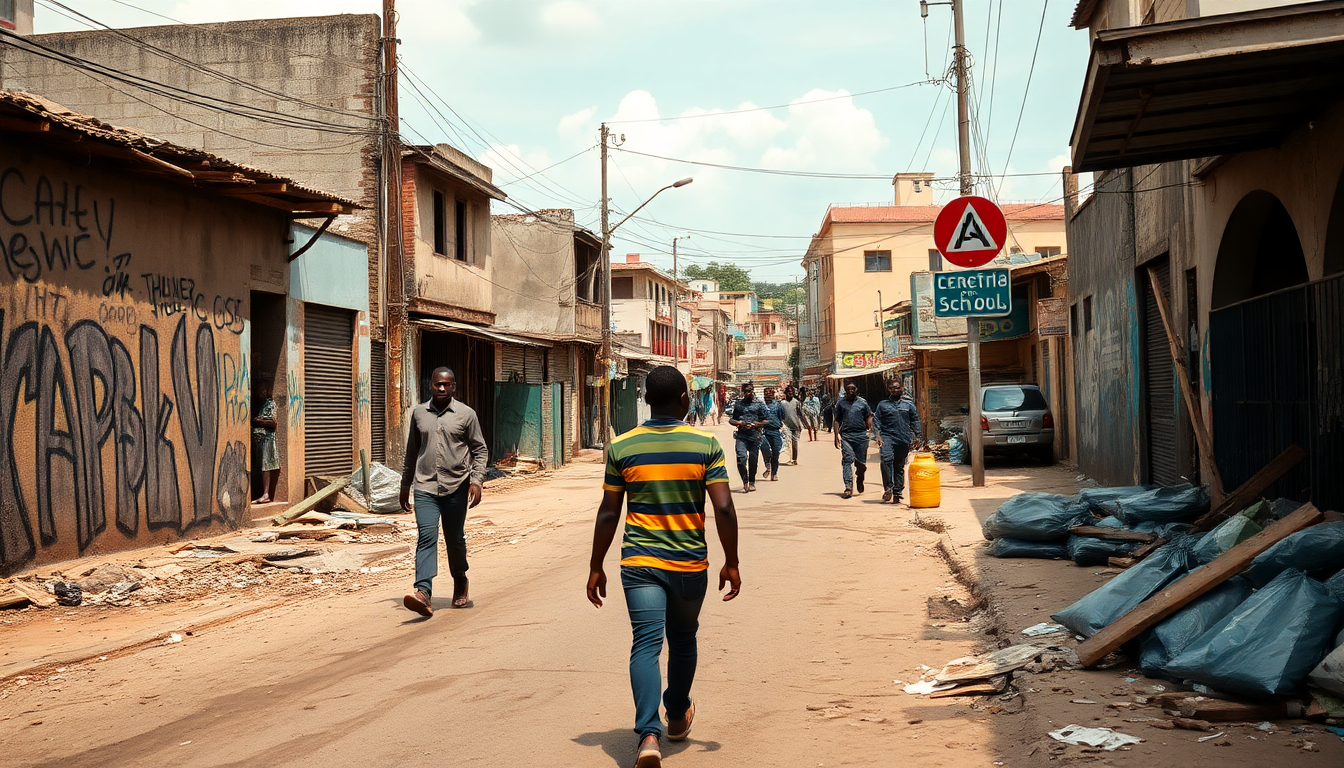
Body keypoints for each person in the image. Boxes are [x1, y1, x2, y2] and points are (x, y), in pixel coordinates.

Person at [587, 365, 741, 768]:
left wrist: (595, 566)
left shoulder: (621, 446)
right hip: (689, 564)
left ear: (647, 401)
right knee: (684, 638)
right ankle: (675, 714)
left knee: (646, 644)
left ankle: (648, 735)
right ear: (685, 400)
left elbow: (608, 513)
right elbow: (723, 507)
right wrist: (732, 561)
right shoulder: (705, 444)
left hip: (639, 562)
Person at [400, 367, 489, 617]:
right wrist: (405, 485)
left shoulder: (466, 415)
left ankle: (460, 579)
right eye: (438, 384)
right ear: (431, 385)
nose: (441, 388)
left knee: (455, 539)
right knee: (426, 536)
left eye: (446, 385)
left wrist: (477, 481)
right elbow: (412, 451)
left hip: (456, 487)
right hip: (425, 487)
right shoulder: (419, 413)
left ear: (454, 387)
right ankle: (423, 592)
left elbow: (480, 450)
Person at [875, 377, 922, 504]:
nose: (894, 390)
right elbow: (876, 421)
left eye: (897, 387)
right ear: (888, 389)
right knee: (886, 459)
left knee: (899, 466)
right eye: (892, 388)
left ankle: (897, 491)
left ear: (901, 388)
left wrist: (918, 437)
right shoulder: (882, 405)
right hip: (887, 436)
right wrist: (878, 435)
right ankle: (888, 488)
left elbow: (915, 421)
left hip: (903, 438)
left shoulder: (908, 405)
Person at [832, 381, 873, 499]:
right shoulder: (841, 404)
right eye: (848, 389)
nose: (851, 391)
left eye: (853, 389)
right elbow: (837, 420)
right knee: (847, 460)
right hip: (847, 436)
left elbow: (869, 416)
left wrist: (871, 429)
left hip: (861, 436)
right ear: (845, 390)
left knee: (861, 464)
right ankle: (848, 486)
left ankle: (860, 478)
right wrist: (836, 437)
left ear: (856, 389)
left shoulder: (862, 403)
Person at [728, 382, 768, 492]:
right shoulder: (738, 404)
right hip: (741, 434)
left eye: (749, 391)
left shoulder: (759, 404)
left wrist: (757, 424)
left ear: (752, 391)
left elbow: (766, 419)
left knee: (753, 460)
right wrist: (738, 423)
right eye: (745, 391)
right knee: (741, 458)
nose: (747, 393)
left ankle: (752, 482)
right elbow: (731, 419)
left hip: (754, 435)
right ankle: (745, 481)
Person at [251, 375, 280, 504]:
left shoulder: (270, 404)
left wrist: (259, 421)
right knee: (259, 466)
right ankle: (260, 492)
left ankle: (266, 494)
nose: (259, 393)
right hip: (258, 440)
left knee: (266, 465)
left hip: (267, 439)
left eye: (261, 390)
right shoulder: (258, 405)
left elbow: (273, 423)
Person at [759, 387, 784, 481]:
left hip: (775, 431)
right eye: (766, 393)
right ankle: (767, 465)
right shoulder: (761, 405)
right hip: (764, 431)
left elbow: (781, 417)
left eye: (770, 393)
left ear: (773, 394)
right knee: (765, 449)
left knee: (776, 452)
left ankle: (774, 473)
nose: (768, 395)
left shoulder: (778, 405)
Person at [779, 384, 804, 464]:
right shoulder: (782, 403)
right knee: (788, 443)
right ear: (786, 393)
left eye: (791, 392)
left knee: (795, 443)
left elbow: (800, 414)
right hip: (786, 426)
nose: (790, 394)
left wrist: (805, 424)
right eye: (789, 392)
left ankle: (794, 459)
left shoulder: (796, 402)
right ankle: (790, 459)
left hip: (796, 426)